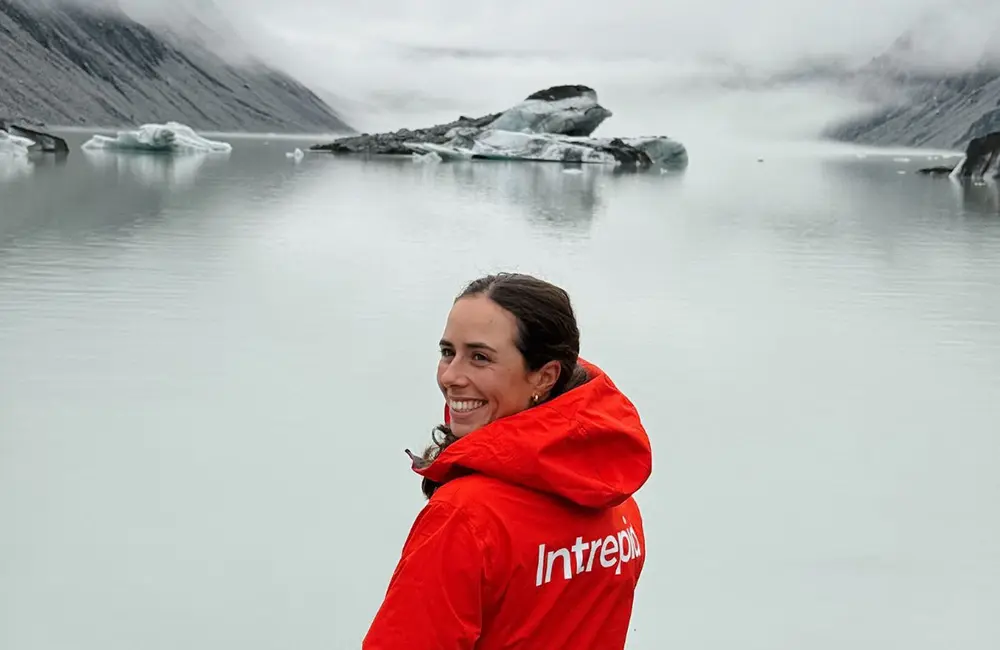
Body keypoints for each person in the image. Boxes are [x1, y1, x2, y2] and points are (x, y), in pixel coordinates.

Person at [362, 272, 653, 650]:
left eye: (480, 357)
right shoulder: (614, 499)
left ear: (545, 377)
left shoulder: (466, 516)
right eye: (448, 352)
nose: (451, 376)